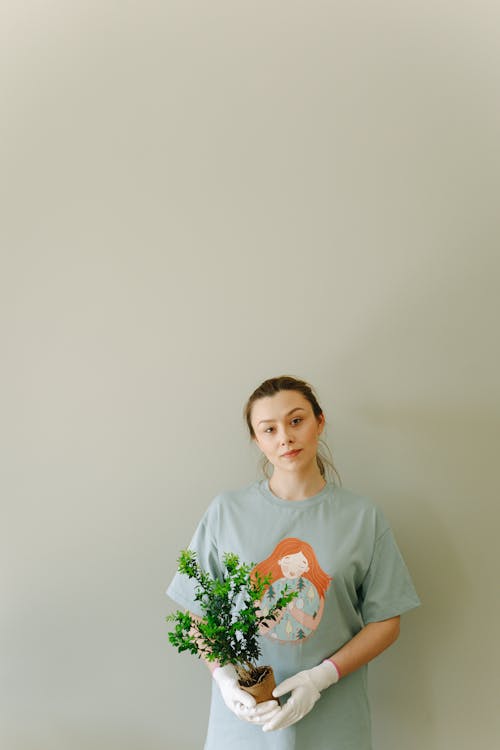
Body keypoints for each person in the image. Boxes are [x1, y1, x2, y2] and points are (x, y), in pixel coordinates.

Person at [166, 375, 421, 750]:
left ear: (320, 421)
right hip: (245, 718)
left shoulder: (362, 517)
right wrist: (223, 678)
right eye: (268, 429)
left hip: (335, 721)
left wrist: (321, 678)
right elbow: (196, 612)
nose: (284, 437)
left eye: (296, 420)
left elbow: (386, 620)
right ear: (257, 439)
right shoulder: (226, 512)